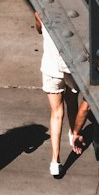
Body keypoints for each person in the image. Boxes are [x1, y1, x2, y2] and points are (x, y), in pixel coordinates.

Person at [34, 11, 79, 177]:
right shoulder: (72, 13)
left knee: (56, 113)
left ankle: (55, 160)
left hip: (51, 67)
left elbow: (39, 29)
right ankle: (74, 133)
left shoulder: (40, 13)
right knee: (72, 102)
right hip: (70, 67)